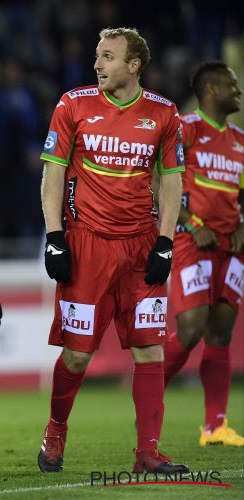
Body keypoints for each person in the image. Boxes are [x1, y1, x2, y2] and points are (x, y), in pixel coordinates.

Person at [37, 27, 190, 474]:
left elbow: (170, 181)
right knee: (78, 354)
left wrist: (165, 239)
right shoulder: (73, 104)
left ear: (134, 65)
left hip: (141, 247)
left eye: (107, 57)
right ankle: (56, 431)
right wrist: (53, 235)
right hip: (87, 247)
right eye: (97, 56)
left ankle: (148, 452)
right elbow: (52, 176)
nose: (98, 65)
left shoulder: (163, 114)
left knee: (150, 350)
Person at [162, 61, 244, 446]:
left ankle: (215, 427)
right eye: (232, 85)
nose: (238, 92)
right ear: (211, 90)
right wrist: (193, 223)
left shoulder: (241, 140)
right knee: (192, 327)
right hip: (192, 241)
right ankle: (148, 393)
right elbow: (156, 181)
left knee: (222, 330)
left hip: (231, 248)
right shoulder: (186, 128)